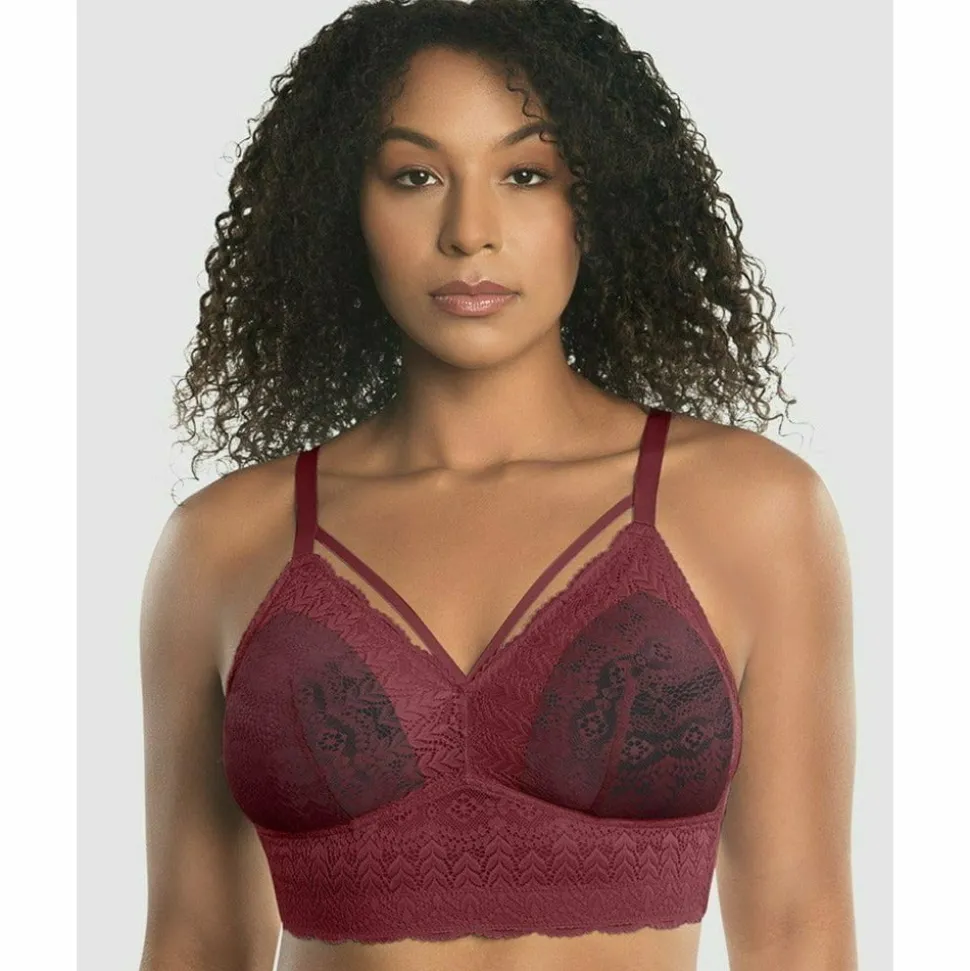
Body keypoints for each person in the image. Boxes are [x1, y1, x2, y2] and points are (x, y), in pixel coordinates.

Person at [138, 1, 857, 969]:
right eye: (414, 176)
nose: (469, 232)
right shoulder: (223, 543)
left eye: (525, 174)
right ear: (342, 205)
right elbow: (194, 940)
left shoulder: (751, 510)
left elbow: (799, 929)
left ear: (596, 199)